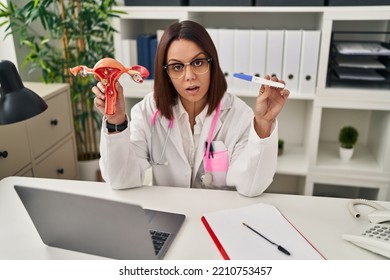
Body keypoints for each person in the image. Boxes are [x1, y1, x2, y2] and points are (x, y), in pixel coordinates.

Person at [92, 20, 289, 197]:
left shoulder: (237, 114)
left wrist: (264, 123)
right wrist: (116, 121)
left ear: (212, 64)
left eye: (198, 62)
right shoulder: (147, 112)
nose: (189, 76)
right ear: (166, 73)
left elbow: (251, 186)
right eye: (177, 67)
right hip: (170, 215)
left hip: (217, 218)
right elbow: (120, 180)